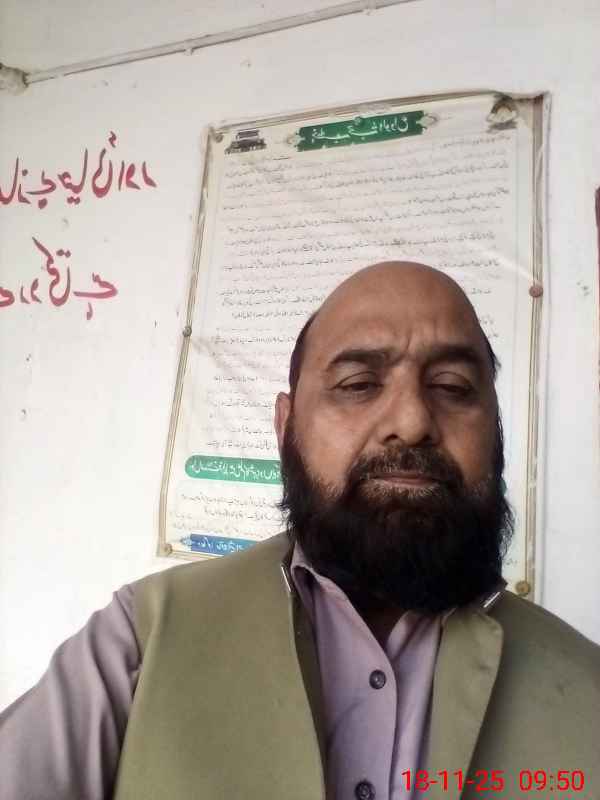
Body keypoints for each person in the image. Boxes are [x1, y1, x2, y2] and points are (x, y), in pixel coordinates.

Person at [1, 261, 598, 800]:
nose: (413, 421)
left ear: (496, 430)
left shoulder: (587, 690)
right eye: (359, 385)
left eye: (452, 388)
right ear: (286, 426)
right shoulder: (141, 642)